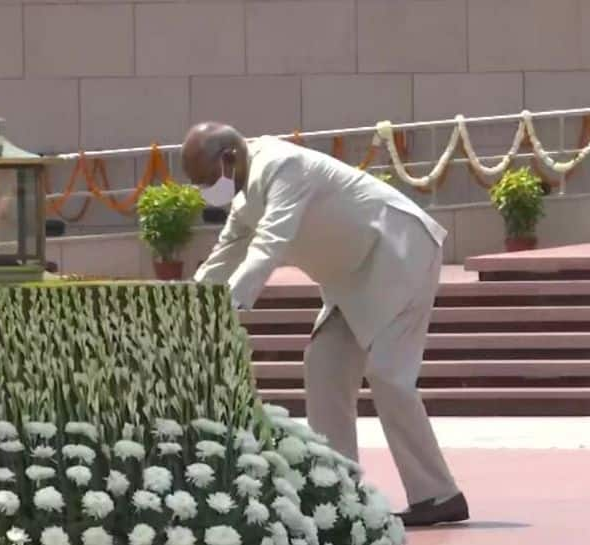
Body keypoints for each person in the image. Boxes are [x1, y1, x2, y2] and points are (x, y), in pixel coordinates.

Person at [183, 122, 468, 527]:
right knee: (324, 365)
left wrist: (227, 306)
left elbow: (269, 244)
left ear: (229, 158)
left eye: (207, 180)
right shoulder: (245, 193)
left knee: (388, 374)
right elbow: (225, 255)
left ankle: (438, 494)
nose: (206, 191)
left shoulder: (283, 167)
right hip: (351, 279)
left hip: (399, 251)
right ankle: (337, 491)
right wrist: (185, 309)